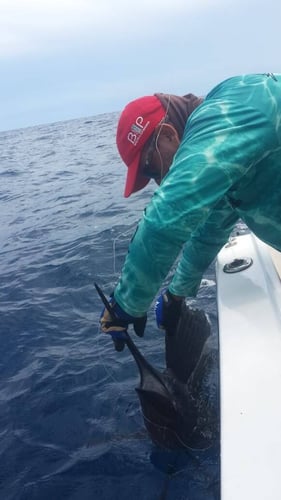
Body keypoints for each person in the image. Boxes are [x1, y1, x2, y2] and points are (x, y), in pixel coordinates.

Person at [100, 73, 281, 350]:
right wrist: (177, 294)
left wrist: (126, 304)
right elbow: (211, 228)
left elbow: (165, 219)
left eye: (151, 169)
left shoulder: (226, 116)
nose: (159, 182)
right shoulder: (226, 142)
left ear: (169, 134)